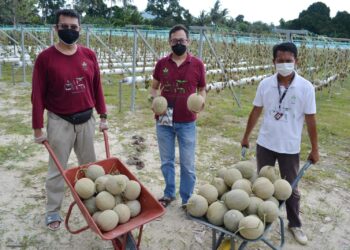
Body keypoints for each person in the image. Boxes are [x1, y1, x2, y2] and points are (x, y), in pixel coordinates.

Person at [31, 9, 108, 231]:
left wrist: (103, 115)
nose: (69, 31)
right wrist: (38, 128)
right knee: (57, 170)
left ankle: (94, 206)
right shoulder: (45, 58)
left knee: (90, 167)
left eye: (74, 27)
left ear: (80, 29)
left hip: (86, 120)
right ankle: (53, 210)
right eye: (64, 27)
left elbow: (97, 87)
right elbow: (37, 95)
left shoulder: (89, 55)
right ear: (56, 29)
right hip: (60, 122)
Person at [241, 42, 319, 245]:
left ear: (296, 61)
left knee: (290, 189)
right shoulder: (265, 84)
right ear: (273, 62)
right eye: (280, 61)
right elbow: (256, 111)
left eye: (288, 61)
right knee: (263, 185)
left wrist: (315, 148)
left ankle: (295, 224)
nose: (284, 64)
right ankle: (260, 219)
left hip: (289, 147)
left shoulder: (306, 87)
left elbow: (311, 120)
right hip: (265, 144)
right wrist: (246, 136)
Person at [150, 24, 206, 208]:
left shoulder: (197, 64)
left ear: (188, 41)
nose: (178, 43)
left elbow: (202, 89)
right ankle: (168, 193)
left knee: (187, 163)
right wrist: (156, 100)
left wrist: (201, 102)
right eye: (174, 41)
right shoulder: (162, 64)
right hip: (165, 118)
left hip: (187, 120)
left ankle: (187, 198)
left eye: (182, 40)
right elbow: (154, 87)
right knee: (167, 161)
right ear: (169, 42)